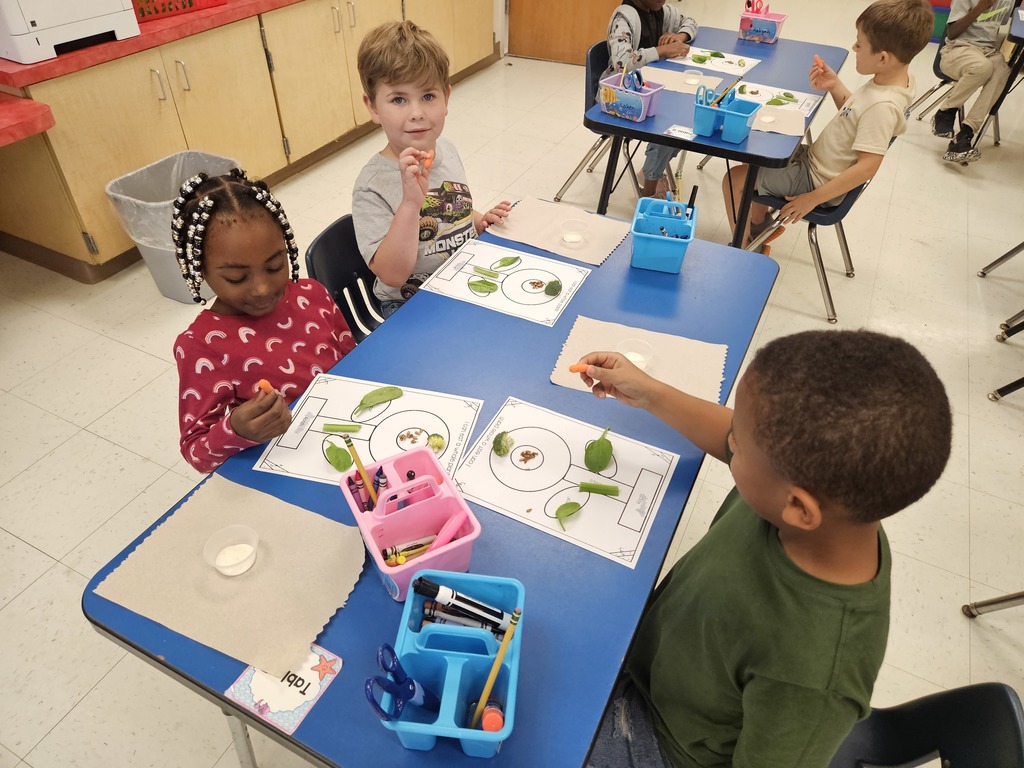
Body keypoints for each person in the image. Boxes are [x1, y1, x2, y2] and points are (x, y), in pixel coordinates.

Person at [577, 330, 952, 768]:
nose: (729, 439)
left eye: (739, 443)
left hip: (661, 743)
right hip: (650, 661)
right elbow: (738, 437)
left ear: (797, 506)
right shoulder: (826, 505)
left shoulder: (813, 675)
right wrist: (650, 393)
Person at [172, 169, 356, 474]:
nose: (262, 288)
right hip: (293, 466)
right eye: (237, 277)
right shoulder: (200, 346)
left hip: (355, 433)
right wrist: (236, 429)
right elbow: (196, 451)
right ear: (201, 271)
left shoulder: (311, 293)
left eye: (274, 266)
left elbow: (353, 360)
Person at [722, 0, 933, 253]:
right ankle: (758, 226)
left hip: (816, 179)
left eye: (860, 44)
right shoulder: (896, 81)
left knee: (733, 180)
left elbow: (868, 166)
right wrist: (835, 86)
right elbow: (856, 115)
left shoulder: (883, 106)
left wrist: (812, 199)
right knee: (762, 155)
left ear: (883, 58)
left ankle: (742, 251)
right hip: (817, 162)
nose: (854, 47)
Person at [352, 20, 513, 318]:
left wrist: (477, 220)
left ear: (446, 98)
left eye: (428, 96)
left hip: (459, 281)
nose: (417, 113)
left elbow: (453, 210)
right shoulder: (371, 187)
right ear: (373, 107)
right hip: (408, 305)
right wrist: (411, 204)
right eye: (398, 99)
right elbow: (392, 275)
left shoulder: (446, 149)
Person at [607, 0, 698, 197]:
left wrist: (678, 37)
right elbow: (622, 62)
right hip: (621, 98)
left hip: (649, 91)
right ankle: (649, 191)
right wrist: (660, 51)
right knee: (670, 123)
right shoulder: (624, 17)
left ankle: (650, 172)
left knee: (684, 113)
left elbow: (691, 22)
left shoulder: (662, 10)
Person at [930, 0, 1014, 163]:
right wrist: (980, 7)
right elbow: (952, 33)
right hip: (958, 48)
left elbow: (1007, 21)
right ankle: (945, 113)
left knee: (1003, 72)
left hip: (988, 51)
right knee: (983, 66)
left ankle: (964, 135)